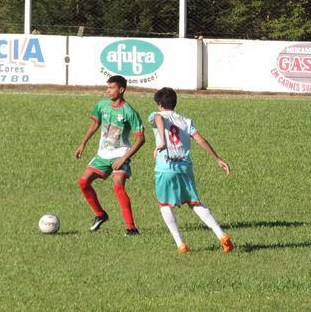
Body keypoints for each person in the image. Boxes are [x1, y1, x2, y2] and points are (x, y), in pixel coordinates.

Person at [148, 87, 234, 254]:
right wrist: (217, 158)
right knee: (194, 202)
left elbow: (158, 117)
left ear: (159, 104)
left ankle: (181, 244)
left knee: (165, 205)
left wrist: (163, 140)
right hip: (184, 166)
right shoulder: (185, 121)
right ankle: (221, 234)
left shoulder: (156, 115)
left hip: (165, 167)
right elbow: (200, 139)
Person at [75, 75, 145, 235]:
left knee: (118, 186)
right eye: (107, 87)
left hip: (120, 154)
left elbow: (141, 139)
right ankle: (100, 215)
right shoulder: (102, 105)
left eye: (111, 88)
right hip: (103, 154)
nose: (108, 91)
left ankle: (131, 228)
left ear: (121, 90)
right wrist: (83, 143)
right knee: (83, 182)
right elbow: (95, 124)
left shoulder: (129, 112)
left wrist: (124, 158)